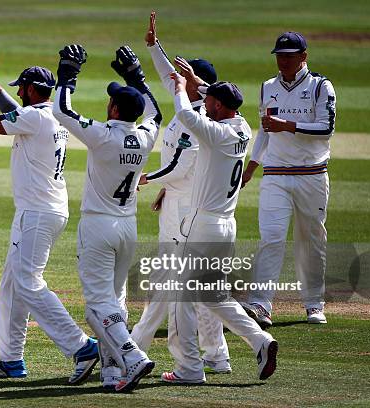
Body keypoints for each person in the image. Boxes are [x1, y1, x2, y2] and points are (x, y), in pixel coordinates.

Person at [0, 49, 99, 384]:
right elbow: (14, 111)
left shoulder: (35, 118)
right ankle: (11, 359)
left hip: (37, 214)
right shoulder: (51, 114)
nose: (19, 93)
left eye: (21, 88)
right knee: (13, 284)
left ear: (29, 88)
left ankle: (81, 346)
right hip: (48, 210)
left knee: (27, 282)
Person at [53, 44, 162, 392]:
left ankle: (132, 356)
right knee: (113, 302)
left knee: (98, 306)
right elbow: (157, 113)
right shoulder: (144, 136)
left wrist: (68, 72)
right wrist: (135, 76)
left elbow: (61, 109)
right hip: (127, 227)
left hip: (99, 226)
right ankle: (113, 372)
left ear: (113, 107)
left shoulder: (101, 135)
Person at [130, 11, 232, 380]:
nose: (175, 80)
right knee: (189, 287)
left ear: (197, 85)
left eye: (184, 78)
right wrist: (154, 46)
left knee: (173, 286)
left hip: (189, 209)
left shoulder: (199, 120)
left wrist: (148, 179)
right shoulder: (185, 108)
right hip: (176, 203)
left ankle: (134, 347)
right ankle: (216, 356)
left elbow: (179, 168)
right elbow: (166, 75)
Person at [162, 71, 278, 383]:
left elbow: (186, 113)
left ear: (220, 106)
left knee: (182, 296)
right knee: (213, 296)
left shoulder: (217, 134)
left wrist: (178, 87)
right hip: (226, 225)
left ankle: (188, 368)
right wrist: (195, 80)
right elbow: (215, 98)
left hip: (202, 226)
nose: (205, 101)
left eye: (209, 99)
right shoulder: (240, 127)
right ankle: (261, 341)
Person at [240, 32, 337, 327]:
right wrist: (251, 167)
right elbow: (265, 131)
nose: (283, 61)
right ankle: (260, 304)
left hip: (312, 174)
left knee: (311, 239)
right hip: (276, 175)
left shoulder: (321, 86)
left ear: (303, 57)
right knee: (271, 238)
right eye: (280, 55)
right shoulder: (268, 87)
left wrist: (288, 125)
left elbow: (326, 128)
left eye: (290, 55)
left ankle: (313, 304)